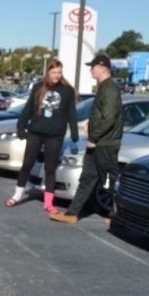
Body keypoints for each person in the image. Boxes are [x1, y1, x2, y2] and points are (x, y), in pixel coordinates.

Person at [50, 54, 123, 224]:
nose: (91, 70)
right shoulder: (104, 88)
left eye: (93, 66)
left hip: (105, 143)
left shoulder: (110, 88)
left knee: (112, 180)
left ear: (102, 67)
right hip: (98, 141)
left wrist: (94, 137)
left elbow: (110, 117)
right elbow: (102, 114)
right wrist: (91, 123)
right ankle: (72, 214)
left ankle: (118, 215)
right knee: (87, 177)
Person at [5, 58, 78, 214]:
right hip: (36, 132)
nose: (57, 75)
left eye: (59, 72)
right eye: (54, 72)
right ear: (48, 72)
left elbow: (71, 112)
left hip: (55, 135)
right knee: (27, 164)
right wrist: (21, 126)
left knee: (50, 168)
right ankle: (17, 195)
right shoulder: (38, 87)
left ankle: (48, 203)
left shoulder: (67, 90)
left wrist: (74, 131)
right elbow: (29, 109)